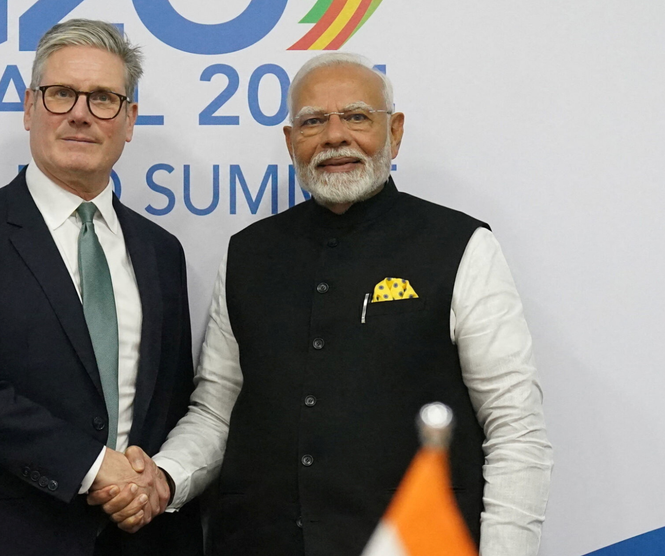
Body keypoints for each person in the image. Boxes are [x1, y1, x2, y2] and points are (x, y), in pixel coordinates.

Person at [95, 53, 554, 555]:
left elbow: (515, 428)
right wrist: (165, 477)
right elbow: (217, 412)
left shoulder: (461, 246)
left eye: (357, 117)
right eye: (313, 122)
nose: (335, 136)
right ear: (291, 141)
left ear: (395, 132)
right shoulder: (248, 253)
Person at [0, 19, 201, 556]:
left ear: (129, 120)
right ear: (30, 107)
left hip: (132, 539)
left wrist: (149, 484)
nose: (80, 113)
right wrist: (92, 466)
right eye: (61, 94)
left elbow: (168, 404)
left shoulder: (161, 251)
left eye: (103, 98)